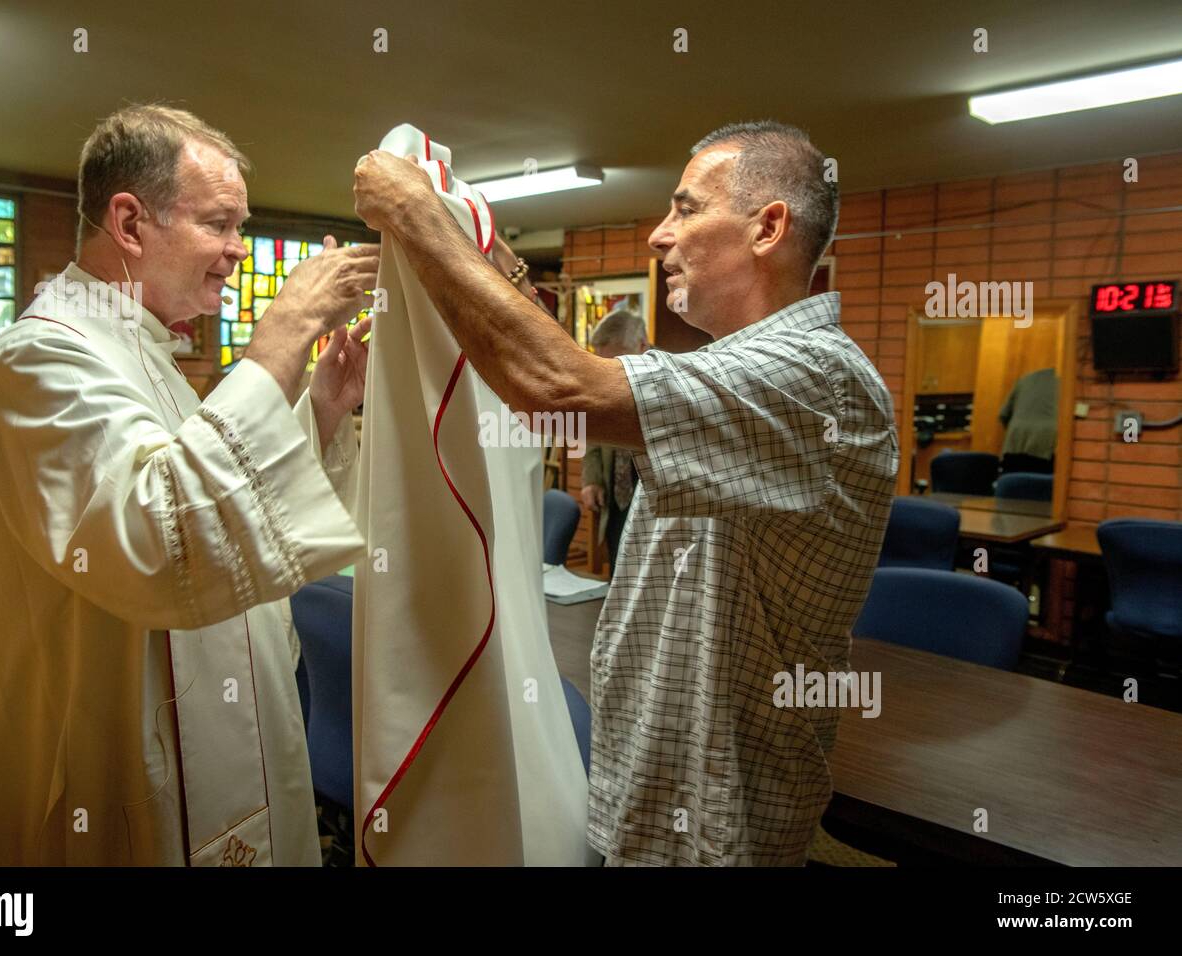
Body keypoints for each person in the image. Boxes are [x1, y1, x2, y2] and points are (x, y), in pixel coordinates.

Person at [354, 119, 898, 865]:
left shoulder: (818, 379)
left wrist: (415, 215)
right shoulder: (738, 374)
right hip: (648, 803)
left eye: (685, 208)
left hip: (714, 831)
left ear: (768, 227)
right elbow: (576, 368)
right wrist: (499, 261)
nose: (657, 235)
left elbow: (557, 388)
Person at [0, 105, 379, 866]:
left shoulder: (148, 357)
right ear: (130, 223)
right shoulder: (35, 363)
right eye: (221, 224)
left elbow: (202, 482)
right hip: (100, 770)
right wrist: (283, 331)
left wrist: (324, 406)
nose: (237, 250)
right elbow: (156, 533)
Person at [578, 310, 650, 576]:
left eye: (617, 363)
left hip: (650, 502)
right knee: (617, 570)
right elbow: (592, 427)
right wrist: (592, 478)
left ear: (642, 346)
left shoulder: (669, 379)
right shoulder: (603, 377)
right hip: (615, 501)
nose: (609, 373)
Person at [998, 367, 1057, 474]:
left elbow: (1003, 414)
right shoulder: (1071, 382)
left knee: (1012, 485)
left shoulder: (1026, 379)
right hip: (1046, 446)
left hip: (1015, 443)